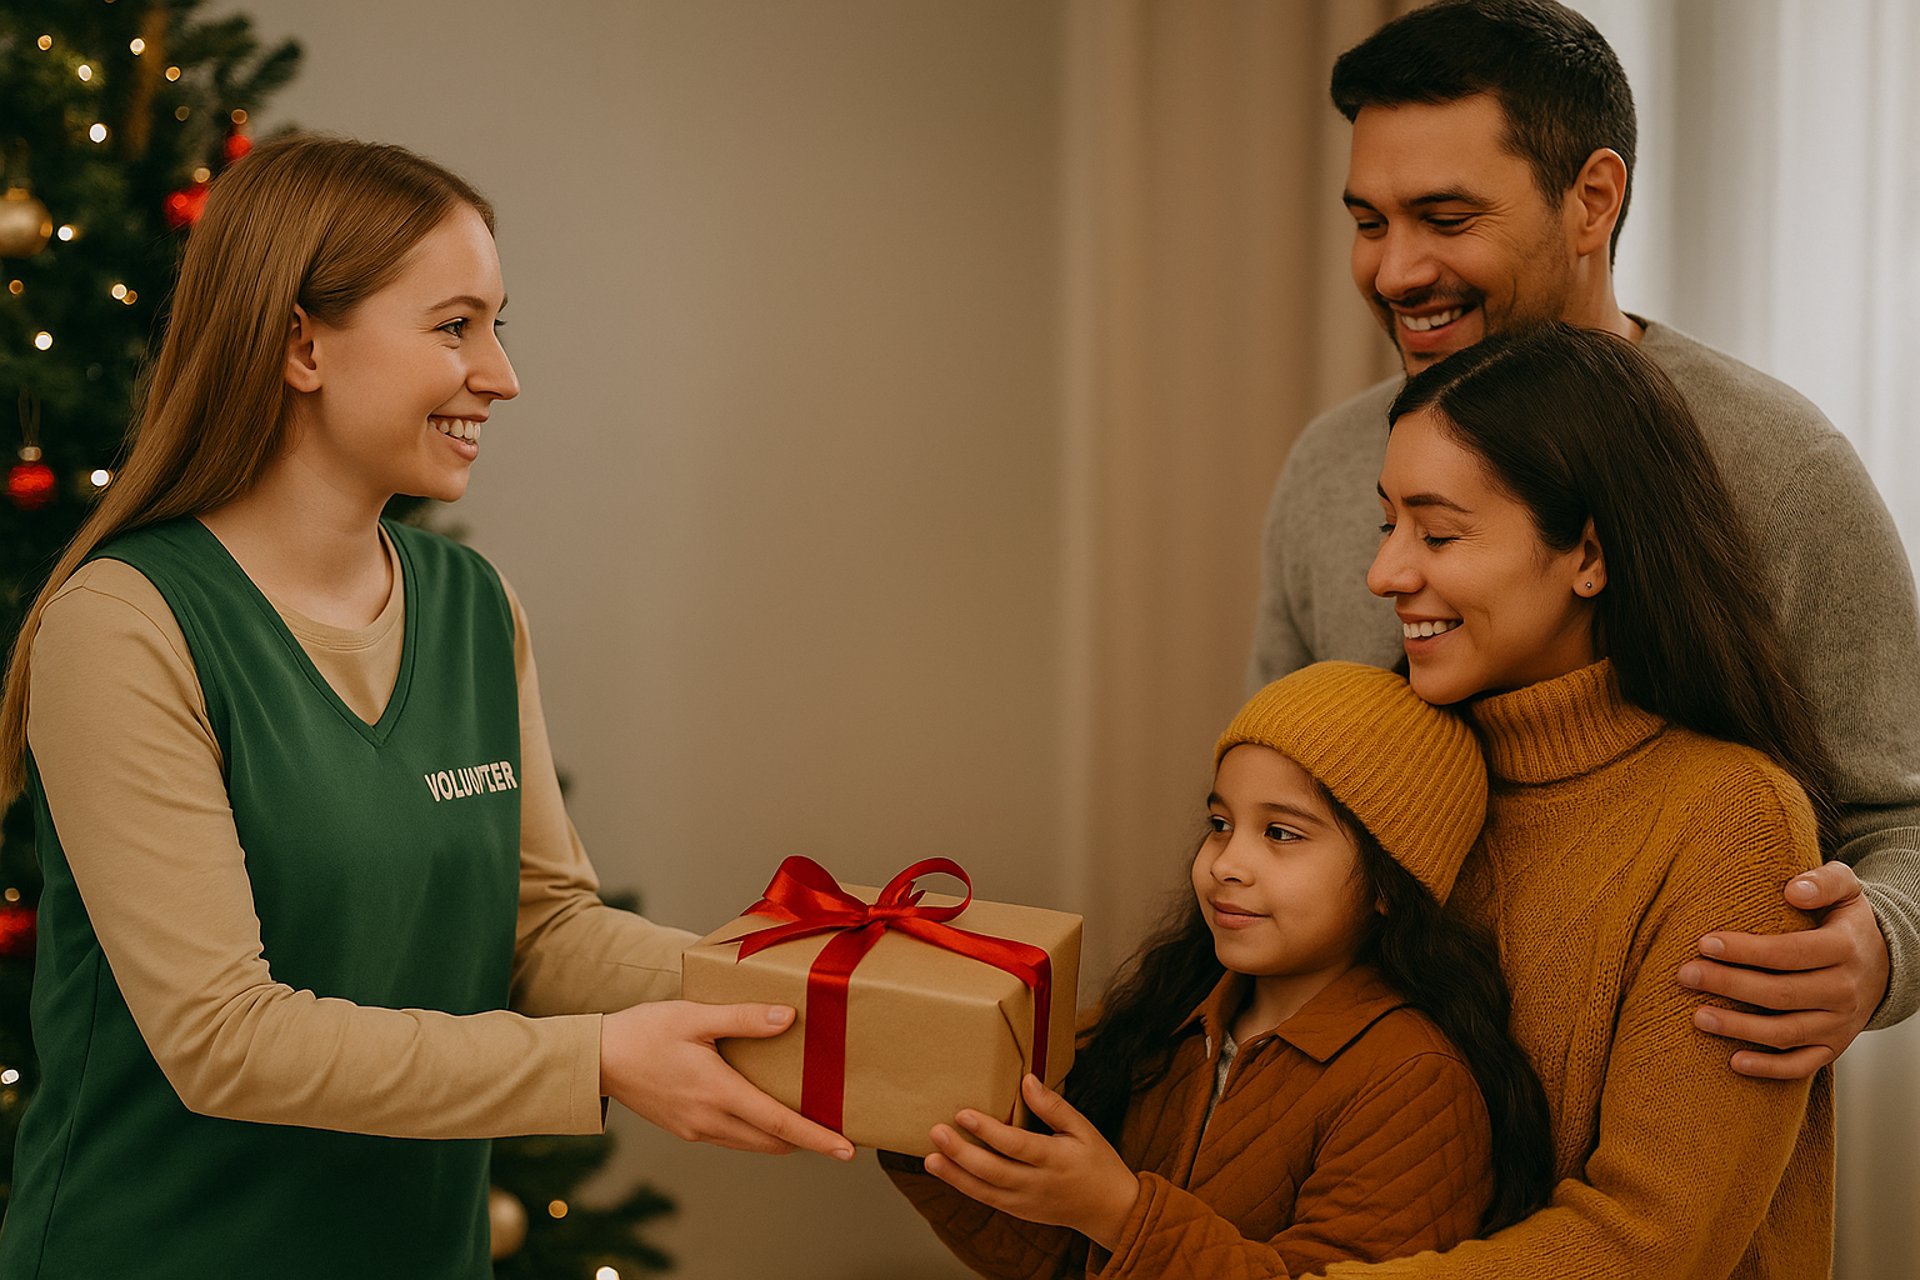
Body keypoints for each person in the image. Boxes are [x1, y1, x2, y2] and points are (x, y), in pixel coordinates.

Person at [0, 135, 852, 1278]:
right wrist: (596, 1060)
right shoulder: (125, 626)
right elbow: (222, 1038)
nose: (500, 374)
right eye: (454, 326)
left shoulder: (468, 601)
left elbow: (540, 929)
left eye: (498, 325)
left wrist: (811, 990)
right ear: (301, 340)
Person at [1248, 0, 1920, 1075]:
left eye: (1446, 217)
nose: (1394, 272)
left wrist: (1878, 945)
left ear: (1592, 200)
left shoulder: (1779, 468)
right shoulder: (1330, 468)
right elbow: (1276, 794)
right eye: (1371, 223)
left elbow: (1904, 813)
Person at [1336, 321, 1831, 1277]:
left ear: (1590, 555)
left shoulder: (1732, 822)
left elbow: (1649, 1242)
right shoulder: (1403, 768)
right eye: (1386, 523)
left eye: (1436, 531)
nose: (1385, 573)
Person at [883, 661, 1554, 1277]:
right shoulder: (1171, 1024)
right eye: (1220, 823)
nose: (1225, 863)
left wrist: (1118, 1212)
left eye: (1281, 833)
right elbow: (1059, 1260)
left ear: (1388, 883)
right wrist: (914, 1122)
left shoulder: (1414, 1083)